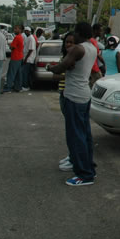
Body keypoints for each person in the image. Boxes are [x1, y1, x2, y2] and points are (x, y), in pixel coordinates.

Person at [48, 22, 98, 186]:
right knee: (84, 134)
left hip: (74, 96)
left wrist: (51, 67)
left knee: (75, 136)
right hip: (84, 94)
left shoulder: (79, 48)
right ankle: (89, 168)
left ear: (79, 33)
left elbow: (61, 67)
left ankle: (84, 175)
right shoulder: (92, 47)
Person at [56, 32, 75, 172]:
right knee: (69, 128)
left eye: (71, 42)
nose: (68, 44)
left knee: (72, 130)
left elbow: (60, 74)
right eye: (66, 42)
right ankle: (71, 155)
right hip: (63, 93)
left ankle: (73, 158)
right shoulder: (66, 57)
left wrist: (55, 70)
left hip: (70, 95)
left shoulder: (74, 59)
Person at [3, 25, 25, 93]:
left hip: (15, 57)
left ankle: (8, 88)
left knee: (11, 73)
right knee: (18, 74)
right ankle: (18, 87)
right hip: (20, 57)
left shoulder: (17, 37)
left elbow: (12, 47)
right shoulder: (21, 37)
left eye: (16, 29)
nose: (14, 30)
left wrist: (10, 46)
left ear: (20, 30)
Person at [21, 26, 37, 91]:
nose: (26, 32)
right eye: (25, 31)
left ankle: (26, 86)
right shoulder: (28, 38)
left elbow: (31, 49)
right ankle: (26, 85)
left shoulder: (31, 38)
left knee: (25, 73)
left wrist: (26, 59)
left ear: (29, 31)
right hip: (26, 58)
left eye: (27, 31)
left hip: (29, 59)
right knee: (26, 73)